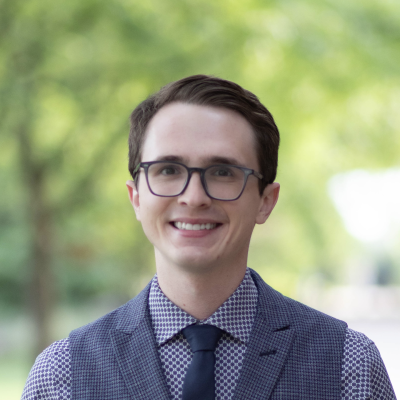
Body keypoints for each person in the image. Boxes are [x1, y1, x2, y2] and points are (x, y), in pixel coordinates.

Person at [21, 75, 396, 400]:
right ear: (136, 197)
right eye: (168, 169)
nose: (194, 197)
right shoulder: (61, 376)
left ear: (265, 201)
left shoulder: (349, 367)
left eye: (222, 172)